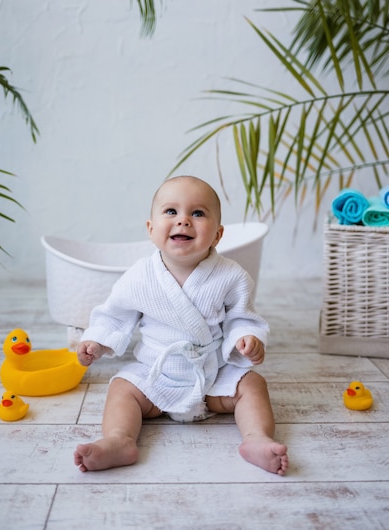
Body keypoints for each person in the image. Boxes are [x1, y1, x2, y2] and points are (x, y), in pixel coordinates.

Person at [74, 175, 288, 476]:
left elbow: (241, 315)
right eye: (171, 211)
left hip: (211, 374)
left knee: (252, 384)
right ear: (151, 229)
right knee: (122, 387)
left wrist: (247, 337)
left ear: (217, 234)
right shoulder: (140, 276)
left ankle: (257, 439)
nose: (183, 221)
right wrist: (97, 341)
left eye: (198, 213)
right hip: (156, 372)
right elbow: (115, 315)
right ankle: (119, 440)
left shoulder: (231, 275)